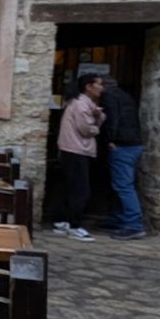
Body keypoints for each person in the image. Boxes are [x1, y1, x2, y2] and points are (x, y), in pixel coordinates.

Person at [54, 73, 104, 241]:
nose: (102, 88)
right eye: (99, 84)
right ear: (88, 87)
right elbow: (87, 130)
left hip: (70, 149)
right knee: (80, 190)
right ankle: (75, 226)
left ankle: (62, 221)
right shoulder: (82, 105)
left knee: (69, 186)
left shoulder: (78, 103)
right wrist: (99, 121)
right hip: (77, 150)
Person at [100, 77, 147, 240]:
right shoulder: (125, 95)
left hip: (123, 144)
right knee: (125, 183)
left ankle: (134, 225)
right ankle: (120, 218)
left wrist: (110, 139)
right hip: (133, 143)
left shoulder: (109, 96)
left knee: (123, 186)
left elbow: (112, 117)